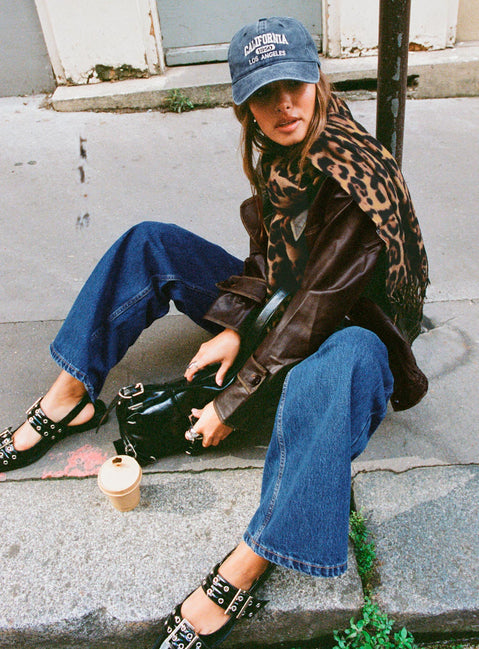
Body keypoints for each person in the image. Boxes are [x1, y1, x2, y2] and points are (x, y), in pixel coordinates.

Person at [1, 16, 429, 649]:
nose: (283, 106)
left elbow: (318, 306)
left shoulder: (350, 173)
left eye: (294, 86)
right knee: (150, 243)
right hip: (286, 308)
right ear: (244, 104)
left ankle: (250, 562)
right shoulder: (280, 153)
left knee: (329, 371)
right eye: (264, 93)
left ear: (317, 80)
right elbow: (273, 264)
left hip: (356, 334)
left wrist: (232, 401)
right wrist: (231, 324)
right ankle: (68, 399)